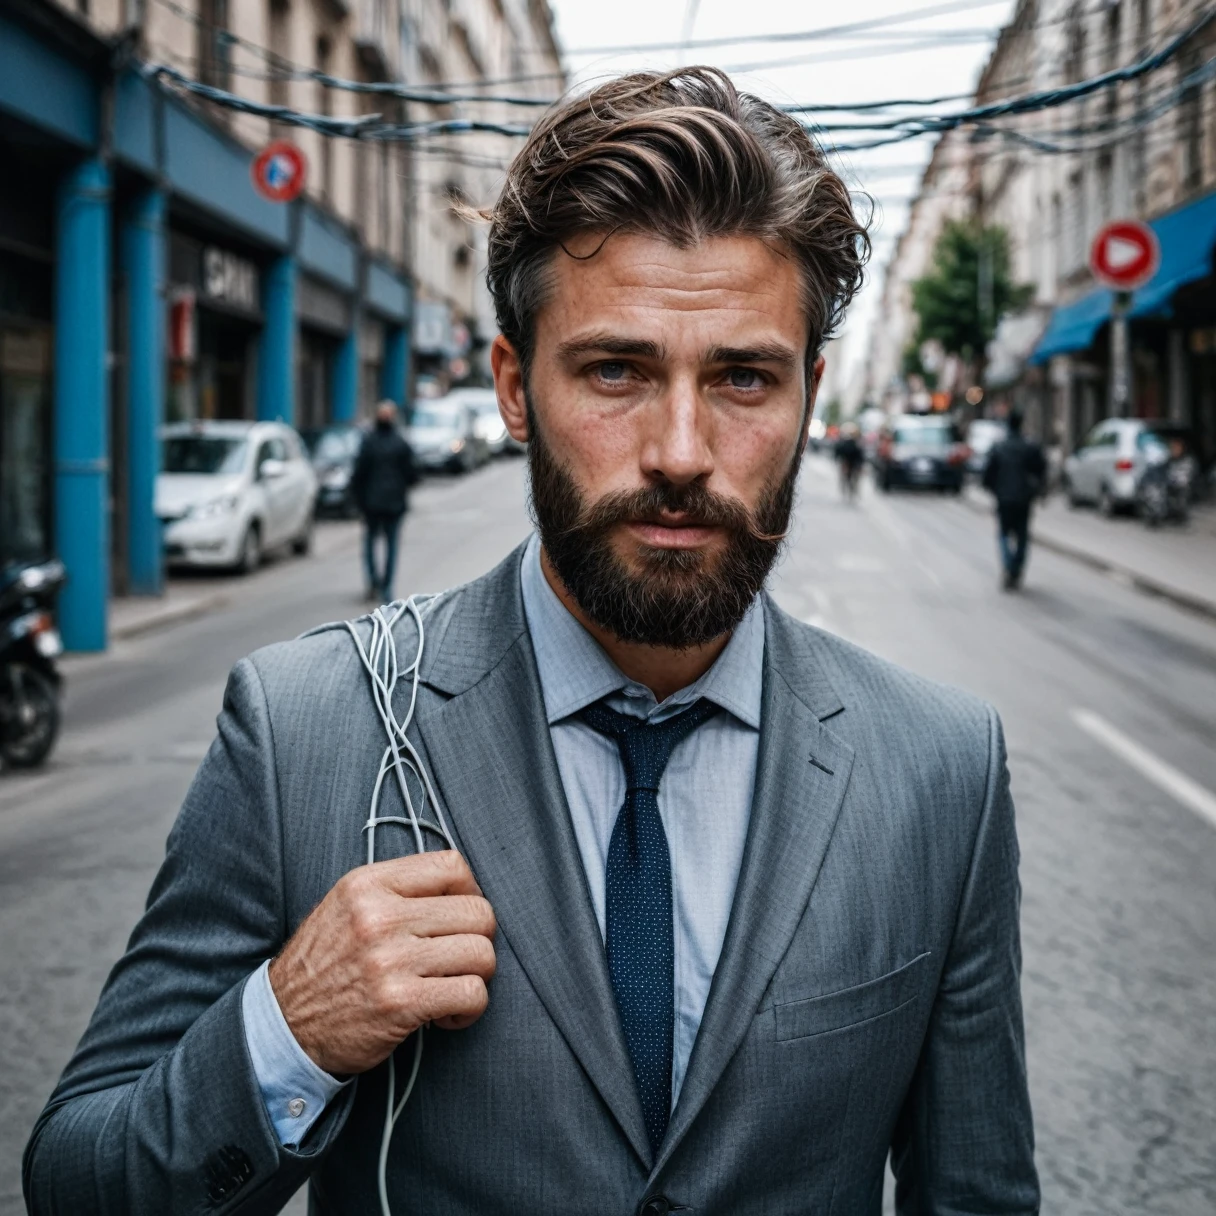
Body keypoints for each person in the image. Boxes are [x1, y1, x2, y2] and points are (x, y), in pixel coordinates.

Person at [26, 70, 1038, 1216]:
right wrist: (289, 1028)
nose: (679, 450)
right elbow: (78, 1182)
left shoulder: (940, 767)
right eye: (616, 370)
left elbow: (979, 1192)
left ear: (809, 394)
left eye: (743, 378)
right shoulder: (306, 725)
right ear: (514, 385)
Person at [351, 399, 416, 601]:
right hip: (394, 503)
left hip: (372, 503)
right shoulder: (401, 443)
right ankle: (386, 588)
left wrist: (358, 498)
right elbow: (412, 474)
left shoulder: (369, 442)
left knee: (371, 543)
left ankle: (373, 582)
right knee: (391, 545)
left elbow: (359, 472)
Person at [982, 410, 1046, 590]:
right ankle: (1016, 566)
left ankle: (1009, 564)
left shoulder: (999, 446)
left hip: (1004, 498)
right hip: (1023, 499)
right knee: (1022, 535)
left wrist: (994, 490)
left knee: (1003, 533)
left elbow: (988, 475)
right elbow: (1040, 470)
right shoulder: (1030, 446)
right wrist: (1037, 491)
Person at [834, 420, 864, 500]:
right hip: (847, 462)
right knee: (847, 478)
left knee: (852, 479)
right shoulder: (848, 442)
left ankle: (851, 490)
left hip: (852, 463)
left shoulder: (855, 443)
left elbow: (860, 455)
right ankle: (850, 490)